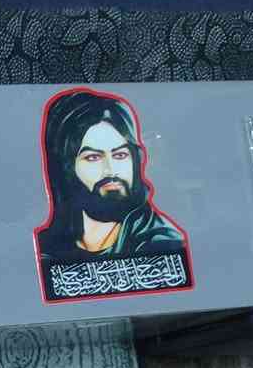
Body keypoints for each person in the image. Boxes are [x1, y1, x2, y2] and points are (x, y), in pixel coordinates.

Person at [36, 89, 187, 267]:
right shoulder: (46, 250)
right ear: (65, 168)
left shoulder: (161, 245)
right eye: (93, 157)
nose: (111, 170)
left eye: (120, 155)